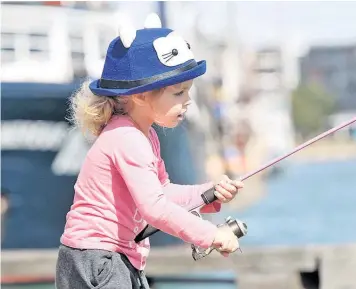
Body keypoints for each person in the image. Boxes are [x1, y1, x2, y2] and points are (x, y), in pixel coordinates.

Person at [55, 13, 244, 289]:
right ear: (141, 95)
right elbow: (155, 208)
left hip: (107, 258)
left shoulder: (144, 136)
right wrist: (212, 234)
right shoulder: (127, 139)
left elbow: (161, 191)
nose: (188, 101)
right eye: (178, 93)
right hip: (99, 261)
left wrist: (209, 193)